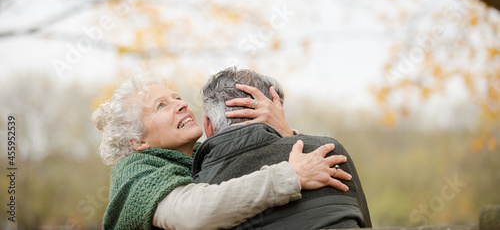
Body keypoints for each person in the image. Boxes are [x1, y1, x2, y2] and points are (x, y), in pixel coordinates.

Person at [91, 70, 352, 230]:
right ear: (138, 141)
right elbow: (193, 214)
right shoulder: (134, 176)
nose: (181, 104)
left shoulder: (202, 157)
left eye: (177, 97)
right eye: (161, 106)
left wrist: (282, 131)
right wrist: (290, 176)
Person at [194, 67, 372, 229]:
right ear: (277, 113)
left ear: (208, 126)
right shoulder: (326, 152)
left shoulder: (198, 185)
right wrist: (289, 136)